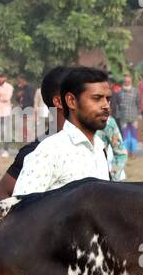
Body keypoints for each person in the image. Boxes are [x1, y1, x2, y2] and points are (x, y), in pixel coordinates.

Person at [12, 67, 114, 197]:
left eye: (108, 99)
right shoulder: (50, 151)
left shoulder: (99, 147)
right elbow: (21, 210)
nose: (106, 105)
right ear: (71, 101)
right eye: (97, 98)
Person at [0, 66, 70, 203]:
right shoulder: (36, 151)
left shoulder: (97, 146)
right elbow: (0, 195)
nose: (104, 105)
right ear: (60, 101)